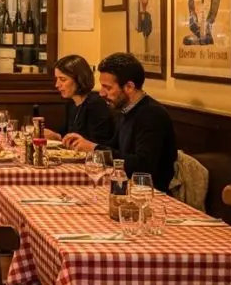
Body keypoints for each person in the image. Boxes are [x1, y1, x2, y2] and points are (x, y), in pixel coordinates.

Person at [64, 52, 177, 191]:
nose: (101, 93)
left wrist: (94, 148)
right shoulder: (125, 109)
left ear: (129, 87)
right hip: (124, 185)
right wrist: (88, 145)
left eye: (108, 87)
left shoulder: (151, 114)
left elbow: (143, 165)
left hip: (149, 192)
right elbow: (116, 148)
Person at [44, 54, 114, 144]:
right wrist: (55, 136)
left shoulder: (95, 104)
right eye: (57, 79)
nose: (57, 85)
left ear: (79, 79)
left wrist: (58, 137)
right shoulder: (71, 103)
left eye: (63, 79)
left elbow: (98, 145)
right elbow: (65, 134)